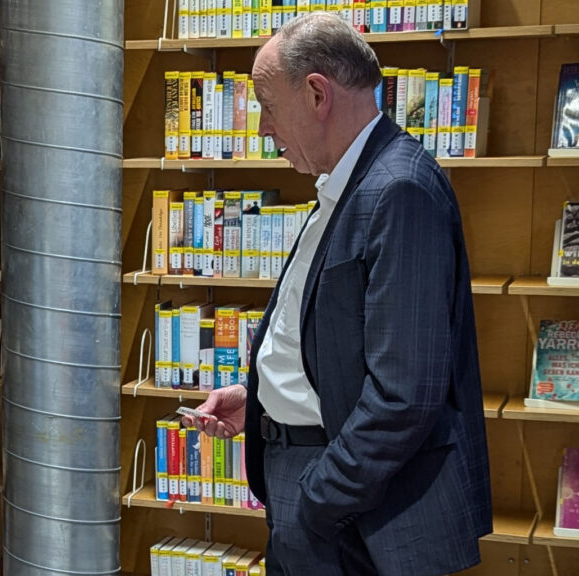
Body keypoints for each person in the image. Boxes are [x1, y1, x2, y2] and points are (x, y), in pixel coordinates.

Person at [184, 12, 491, 576]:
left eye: (267, 105)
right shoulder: (348, 183)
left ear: (317, 93)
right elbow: (338, 343)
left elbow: (406, 395)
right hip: (320, 489)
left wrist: (318, 498)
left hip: (360, 516)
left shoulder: (399, 189)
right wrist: (262, 400)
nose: (263, 129)